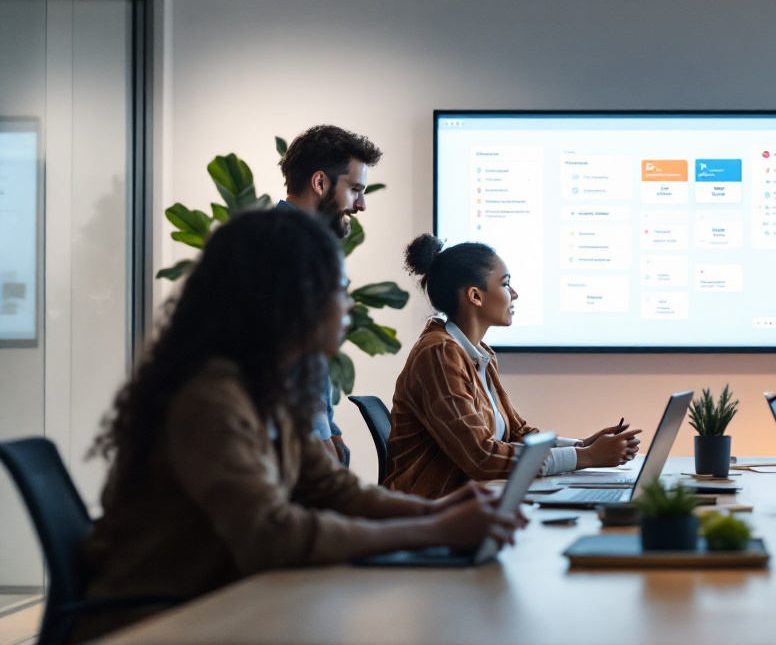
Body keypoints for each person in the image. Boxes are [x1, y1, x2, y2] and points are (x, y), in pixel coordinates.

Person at [78, 210, 521, 643]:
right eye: (337, 290)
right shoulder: (207, 397)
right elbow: (271, 534)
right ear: (289, 298)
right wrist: (437, 530)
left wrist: (440, 511)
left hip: (226, 603)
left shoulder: (267, 391)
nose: (348, 305)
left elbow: (338, 492)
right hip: (155, 623)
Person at [384, 236, 642, 499]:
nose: (514, 294)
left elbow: (516, 434)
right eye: (506, 284)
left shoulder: (478, 354)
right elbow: (482, 457)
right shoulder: (438, 354)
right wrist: (584, 457)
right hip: (433, 515)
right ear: (475, 296)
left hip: (475, 504)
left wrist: (584, 445)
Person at [276, 124, 384, 463]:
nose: (361, 205)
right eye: (355, 190)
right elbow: (288, 364)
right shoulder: (281, 248)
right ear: (320, 183)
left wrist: (331, 430)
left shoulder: (301, 244)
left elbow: (312, 358)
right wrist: (321, 439)